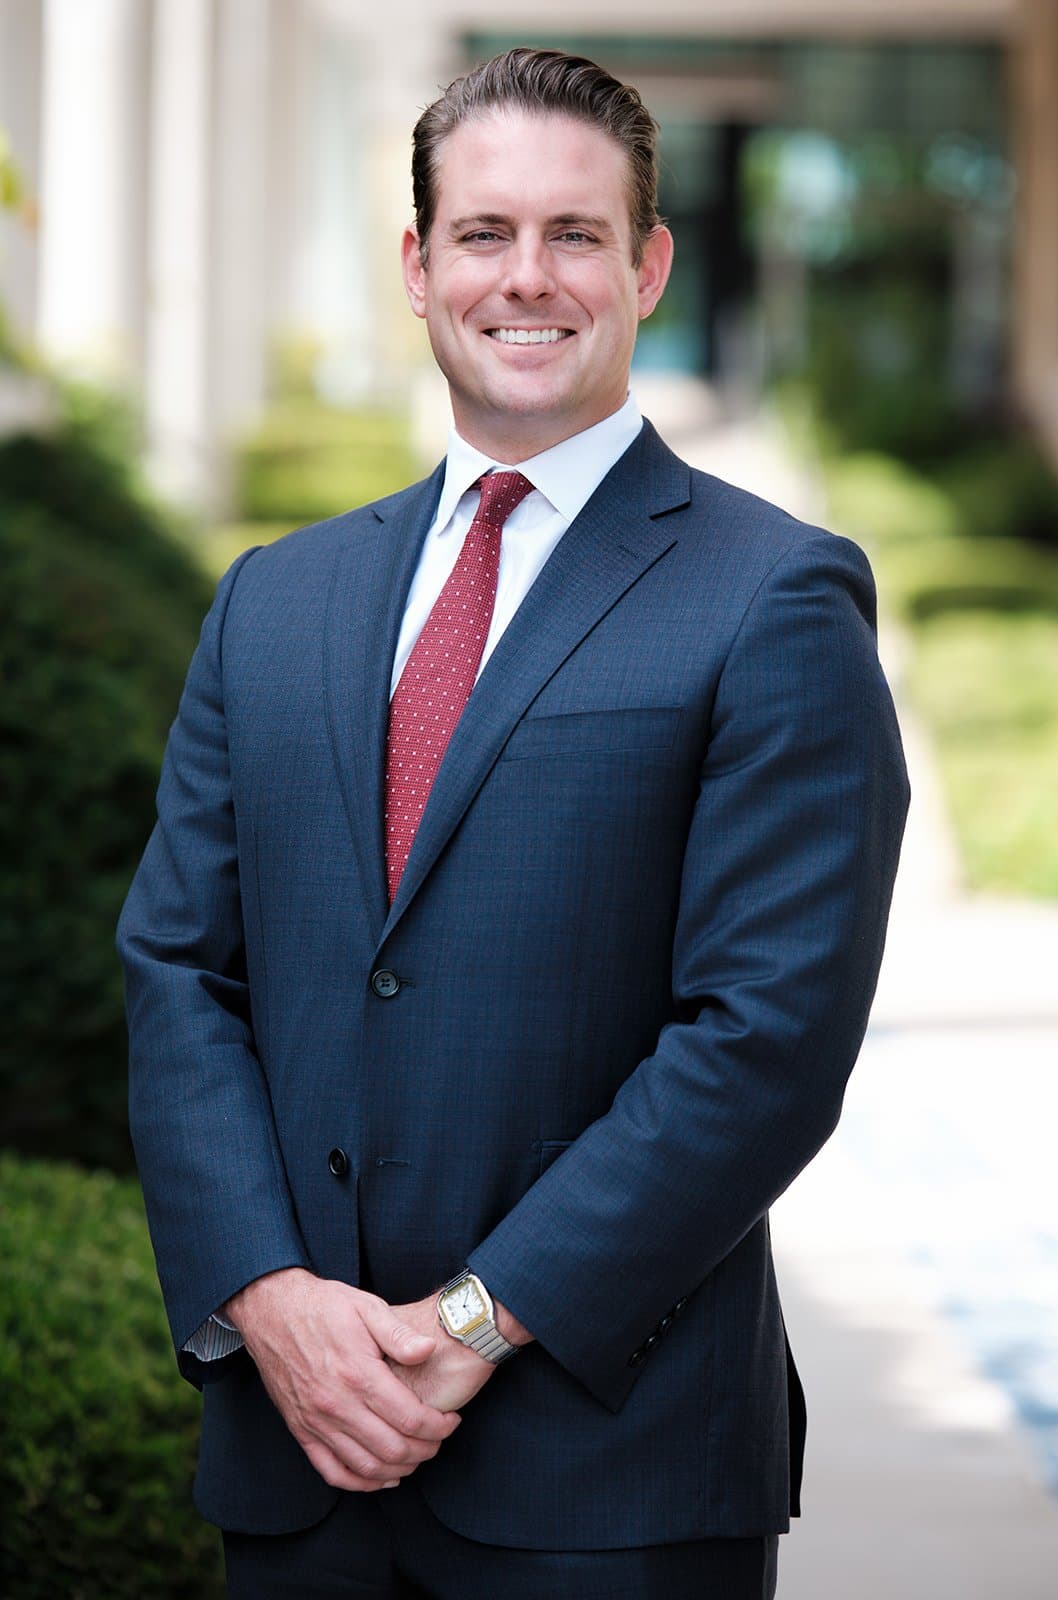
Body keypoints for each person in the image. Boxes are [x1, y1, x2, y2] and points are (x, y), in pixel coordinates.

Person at [118, 46, 909, 1600]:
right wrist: (273, 1300)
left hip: (608, 1477)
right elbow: (178, 975)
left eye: (575, 234)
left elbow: (765, 1036)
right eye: (483, 234)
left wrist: (470, 1324)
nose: (525, 277)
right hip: (300, 1457)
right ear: (417, 268)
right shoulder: (275, 599)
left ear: (648, 264)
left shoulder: (772, 594)